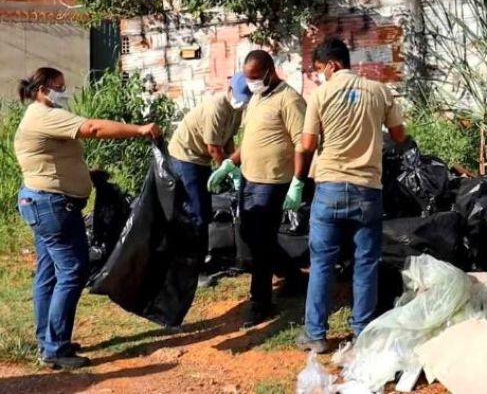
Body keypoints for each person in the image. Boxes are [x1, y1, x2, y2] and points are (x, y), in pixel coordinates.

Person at [14, 67, 161, 369]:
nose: (63, 93)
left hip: (40, 202)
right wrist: (139, 129)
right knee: (72, 271)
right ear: (42, 88)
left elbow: (51, 157)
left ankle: (49, 340)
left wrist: (86, 174)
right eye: (59, 87)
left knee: (49, 273)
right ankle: (54, 348)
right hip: (53, 207)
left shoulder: (37, 115)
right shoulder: (45, 115)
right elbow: (92, 128)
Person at [297, 37, 406, 353]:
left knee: (322, 263)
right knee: (366, 262)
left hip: (330, 186)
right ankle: (362, 331)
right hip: (368, 189)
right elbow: (399, 136)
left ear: (332, 64)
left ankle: (316, 335)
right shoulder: (380, 91)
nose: (320, 75)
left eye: (320, 69)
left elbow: (306, 144)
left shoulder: (321, 94)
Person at [208, 50, 309, 328]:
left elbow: (303, 143)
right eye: (248, 78)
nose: (251, 82)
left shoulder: (289, 99)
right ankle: (294, 275)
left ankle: (260, 302)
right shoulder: (257, 99)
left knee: (261, 242)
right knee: (249, 235)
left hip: (273, 181)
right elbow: (252, 139)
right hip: (250, 178)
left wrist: (298, 182)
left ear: (269, 71)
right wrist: (230, 163)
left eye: (255, 77)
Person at [167, 74, 248, 260]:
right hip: (186, 156)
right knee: (195, 211)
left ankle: (201, 255)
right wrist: (226, 169)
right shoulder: (217, 107)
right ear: (230, 90)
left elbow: (228, 141)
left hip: (202, 158)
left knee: (204, 208)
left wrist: (232, 163)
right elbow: (213, 147)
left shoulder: (236, 109)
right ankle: (192, 263)